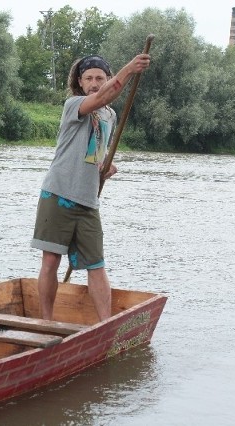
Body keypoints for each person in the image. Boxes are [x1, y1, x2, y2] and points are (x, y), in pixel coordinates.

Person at [31, 53, 150, 322]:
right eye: (89, 78)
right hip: (58, 194)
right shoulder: (75, 104)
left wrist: (104, 169)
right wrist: (130, 69)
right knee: (50, 261)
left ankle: (105, 324)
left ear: (107, 78)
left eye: (100, 77)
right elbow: (104, 96)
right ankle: (46, 322)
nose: (94, 83)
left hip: (87, 201)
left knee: (96, 265)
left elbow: (97, 154)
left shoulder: (109, 115)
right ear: (80, 83)